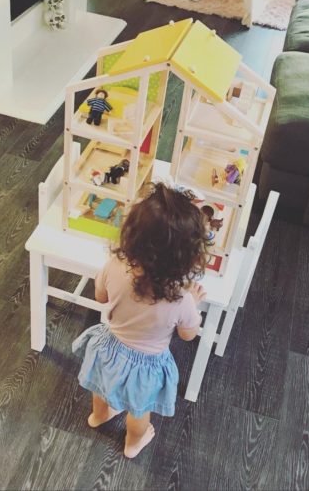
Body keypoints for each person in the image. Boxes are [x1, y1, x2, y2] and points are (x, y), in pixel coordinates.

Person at [72, 182, 208, 458]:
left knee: (100, 385)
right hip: (147, 366)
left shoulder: (114, 266)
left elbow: (100, 297)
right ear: (187, 255)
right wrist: (194, 303)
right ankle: (134, 442)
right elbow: (187, 335)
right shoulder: (181, 299)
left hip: (109, 347)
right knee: (139, 409)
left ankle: (98, 416)